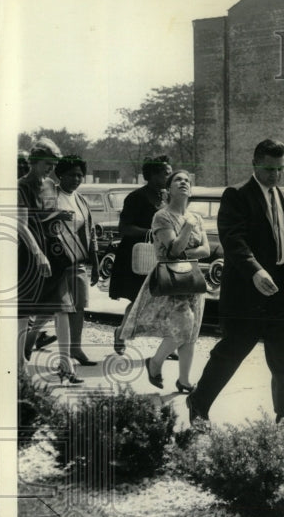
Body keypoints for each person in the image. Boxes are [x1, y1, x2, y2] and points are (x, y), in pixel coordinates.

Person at [185, 139, 284, 434]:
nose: (275, 175)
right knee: (232, 352)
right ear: (254, 163)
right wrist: (255, 271)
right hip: (247, 293)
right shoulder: (237, 195)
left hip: (282, 293)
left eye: (280, 169)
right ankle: (199, 402)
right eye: (269, 169)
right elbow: (233, 239)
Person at [116, 170, 209, 390]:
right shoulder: (162, 216)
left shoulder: (197, 217)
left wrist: (185, 250)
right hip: (171, 280)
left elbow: (205, 250)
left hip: (192, 280)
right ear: (169, 189)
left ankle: (184, 380)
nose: (184, 183)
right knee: (183, 327)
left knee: (191, 332)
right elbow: (174, 249)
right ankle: (155, 362)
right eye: (178, 180)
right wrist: (186, 228)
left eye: (187, 180)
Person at [109, 155, 173, 356]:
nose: (168, 177)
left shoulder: (166, 197)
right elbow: (124, 228)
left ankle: (167, 344)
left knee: (167, 299)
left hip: (160, 255)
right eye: (165, 173)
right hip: (138, 257)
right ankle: (121, 332)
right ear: (153, 175)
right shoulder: (136, 198)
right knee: (140, 299)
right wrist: (151, 232)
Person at [44, 155, 100, 382]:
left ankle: (74, 348)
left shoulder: (81, 201)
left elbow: (91, 233)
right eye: (71, 174)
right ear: (60, 175)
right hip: (56, 262)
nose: (76, 179)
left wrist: (95, 264)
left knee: (79, 305)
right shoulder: (52, 197)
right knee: (58, 310)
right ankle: (30, 344)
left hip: (77, 261)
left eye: (80, 174)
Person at [16, 139, 61, 367]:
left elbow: (50, 217)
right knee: (23, 309)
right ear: (34, 162)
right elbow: (22, 224)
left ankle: (28, 345)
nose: (50, 168)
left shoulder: (51, 185)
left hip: (49, 251)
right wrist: (38, 254)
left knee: (50, 304)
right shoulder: (22, 186)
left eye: (53, 164)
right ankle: (19, 366)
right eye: (47, 163)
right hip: (26, 252)